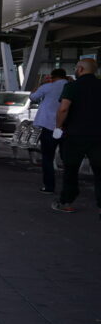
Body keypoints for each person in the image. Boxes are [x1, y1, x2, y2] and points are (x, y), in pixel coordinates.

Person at [51, 58, 101, 214]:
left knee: (71, 170)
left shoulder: (72, 86)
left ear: (80, 69)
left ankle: (67, 202)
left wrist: (58, 127)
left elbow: (63, 109)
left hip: (74, 135)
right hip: (98, 136)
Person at [29, 68, 69, 194]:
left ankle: (49, 186)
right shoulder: (71, 86)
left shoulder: (47, 86)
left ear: (52, 77)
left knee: (47, 158)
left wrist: (40, 84)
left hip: (48, 126)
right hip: (67, 127)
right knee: (68, 159)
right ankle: (69, 187)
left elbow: (33, 97)